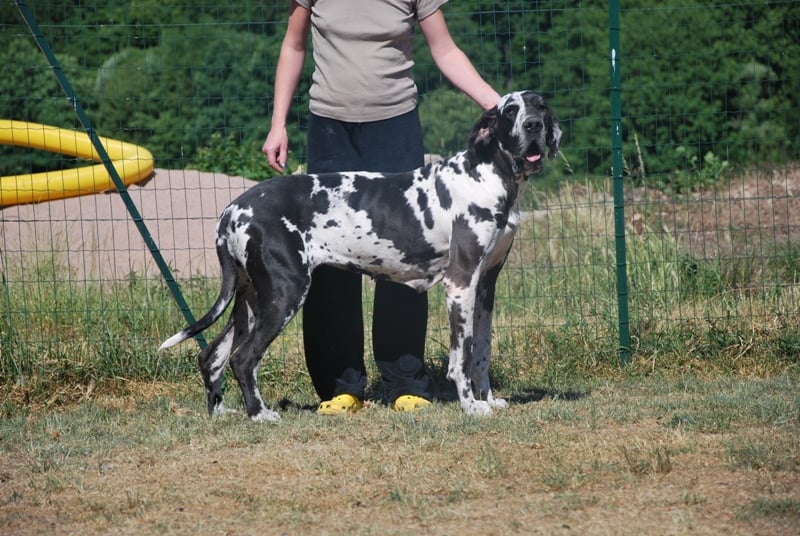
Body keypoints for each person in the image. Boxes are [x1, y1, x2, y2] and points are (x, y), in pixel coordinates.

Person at [262, 0, 500, 415]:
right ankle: (340, 386)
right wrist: (278, 123)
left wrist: (501, 109)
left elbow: (445, 49)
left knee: (408, 253)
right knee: (328, 258)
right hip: (330, 129)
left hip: (395, 126)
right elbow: (293, 45)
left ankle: (405, 383)